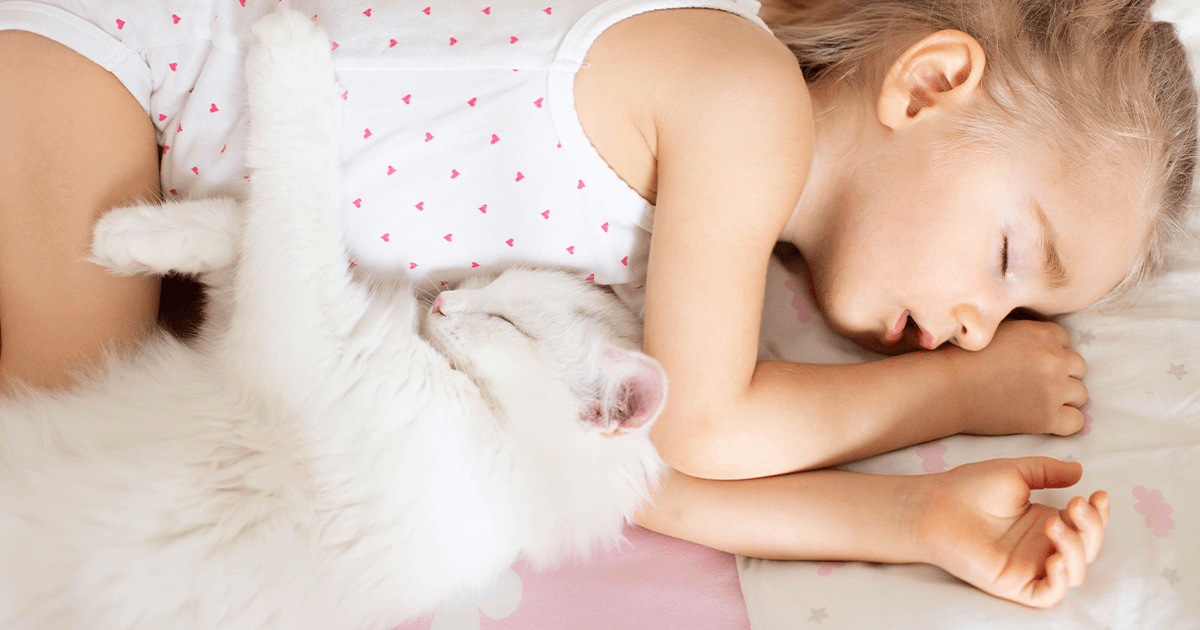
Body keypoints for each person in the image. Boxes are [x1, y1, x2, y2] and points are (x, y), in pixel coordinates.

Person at [0, 0, 1194, 608]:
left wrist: (918, 522)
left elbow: (642, 478)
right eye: (1006, 256)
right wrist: (948, 392)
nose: (985, 324)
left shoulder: (678, 261)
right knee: (66, 459)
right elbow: (705, 428)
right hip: (128, 69)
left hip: (169, 179)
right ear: (931, 85)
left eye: (1014, 318)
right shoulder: (741, 96)